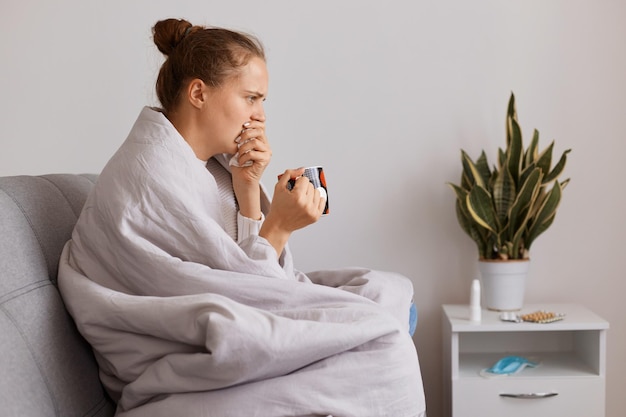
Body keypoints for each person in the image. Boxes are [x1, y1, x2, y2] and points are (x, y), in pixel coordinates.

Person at [58, 18, 426, 417]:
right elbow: (245, 291)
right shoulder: (152, 173)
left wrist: (249, 185)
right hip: (184, 356)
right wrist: (280, 225)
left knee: (384, 293)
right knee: (386, 350)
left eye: (263, 101)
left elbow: (243, 273)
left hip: (236, 306)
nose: (261, 115)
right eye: (252, 98)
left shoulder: (212, 165)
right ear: (198, 92)